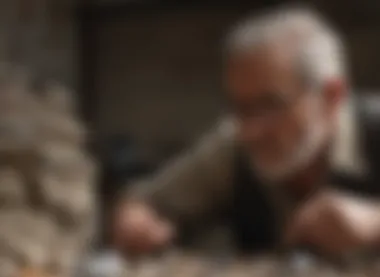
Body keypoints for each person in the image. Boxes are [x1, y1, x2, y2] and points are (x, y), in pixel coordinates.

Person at [112, 6, 380, 256]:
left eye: (270, 105)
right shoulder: (233, 146)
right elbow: (144, 203)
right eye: (241, 108)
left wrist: (372, 222)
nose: (251, 131)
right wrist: (136, 224)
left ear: (331, 97)